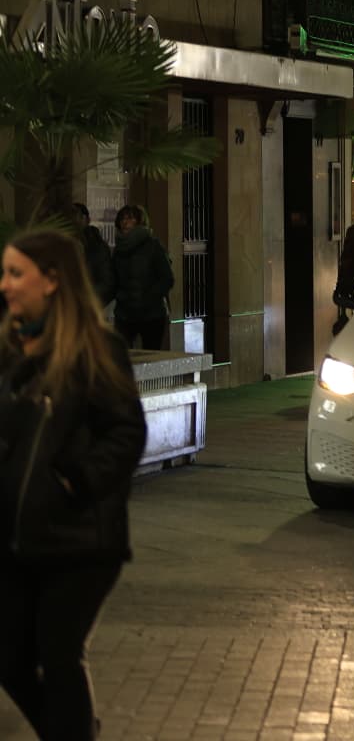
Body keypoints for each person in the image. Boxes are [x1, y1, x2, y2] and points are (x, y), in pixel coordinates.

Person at [0, 229, 147, 740]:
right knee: (9, 655)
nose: (5, 285)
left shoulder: (95, 349)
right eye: (4, 272)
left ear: (53, 279)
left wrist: (73, 483)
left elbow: (126, 432)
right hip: (17, 538)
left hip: (79, 539)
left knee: (59, 653)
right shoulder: (7, 348)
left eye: (16, 274)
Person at [110, 204, 173, 350]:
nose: (125, 222)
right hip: (125, 313)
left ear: (139, 222)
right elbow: (114, 280)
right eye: (122, 219)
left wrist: (147, 298)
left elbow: (166, 278)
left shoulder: (153, 246)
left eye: (130, 219)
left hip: (151, 314)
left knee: (151, 356)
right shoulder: (119, 249)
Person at [71, 203, 115, 308]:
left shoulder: (97, 246)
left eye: (75, 215)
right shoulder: (61, 244)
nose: (72, 220)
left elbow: (106, 284)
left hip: (88, 307)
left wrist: (86, 299)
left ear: (86, 219)